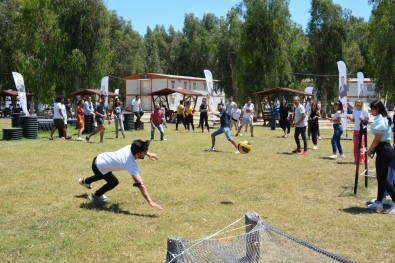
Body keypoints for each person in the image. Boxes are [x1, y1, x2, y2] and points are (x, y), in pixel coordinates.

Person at [78, 139, 163, 210]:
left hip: (99, 158)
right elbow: (141, 185)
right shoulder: (130, 163)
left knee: (105, 174)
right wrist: (150, 201)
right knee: (113, 182)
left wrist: (149, 154)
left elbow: (139, 148)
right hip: (99, 167)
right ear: (138, 154)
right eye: (145, 152)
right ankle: (95, 196)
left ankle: (85, 181)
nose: (146, 153)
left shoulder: (131, 147)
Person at [366, 100, 395, 214]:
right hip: (383, 150)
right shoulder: (382, 119)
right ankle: (378, 202)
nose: (371, 111)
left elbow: (377, 139)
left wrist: (370, 149)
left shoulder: (381, 120)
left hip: (384, 150)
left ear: (377, 109)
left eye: (372, 109)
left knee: (383, 179)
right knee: (381, 178)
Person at [347, 99, 369, 164]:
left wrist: (363, 120)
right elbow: (353, 120)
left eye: (359, 103)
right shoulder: (354, 111)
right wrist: (350, 118)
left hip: (362, 130)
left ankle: (363, 159)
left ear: (361, 103)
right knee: (356, 146)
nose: (357, 104)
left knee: (361, 145)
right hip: (356, 130)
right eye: (356, 103)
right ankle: (356, 159)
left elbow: (367, 120)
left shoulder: (364, 111)